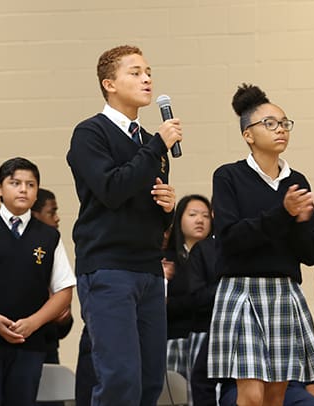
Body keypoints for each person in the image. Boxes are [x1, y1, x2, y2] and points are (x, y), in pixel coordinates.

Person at [66, 44, 182, 406]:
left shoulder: (150, 143)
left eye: (148, 71)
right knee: (120, 379)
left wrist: (167, 208)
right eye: (135, 72)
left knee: (149, 382)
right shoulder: (90, 133)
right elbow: (111, 190)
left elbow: (141, 202)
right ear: (109, 84)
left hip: (148, 270)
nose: (146, 78)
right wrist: (157, 147)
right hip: (108, 268)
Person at [205, 84, 314, 406]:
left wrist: (299, 223)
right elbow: (230, 238)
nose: (281, 129)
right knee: (252, 395)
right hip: (242, 291)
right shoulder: (228, 177)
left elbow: (312, 254)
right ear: (248, 134)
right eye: (270, 123)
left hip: (284, 291)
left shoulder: (297, 181)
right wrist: (282, 213)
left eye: (284, 123)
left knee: (276, 396)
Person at [0, 157, 76, 406]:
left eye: (30, 184)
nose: (23, 189)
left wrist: (34, 323)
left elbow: (64, 290)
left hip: (30, 341)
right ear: (0, 188)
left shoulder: (49, 236)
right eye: (15, 183)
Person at [162, 194, 212, 405]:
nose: (200, 220)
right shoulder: (166, 259)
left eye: (206, 216)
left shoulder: (217, 258)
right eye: (192, 215)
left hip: (205, 338)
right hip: (174, 340)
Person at [31, 188, 74, 406]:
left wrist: (63, 316)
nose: (57, 218)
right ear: (35, 213)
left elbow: (63, 326)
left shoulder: (53, 247)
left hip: (48, 350)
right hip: (20, 347)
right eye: (51, 212)